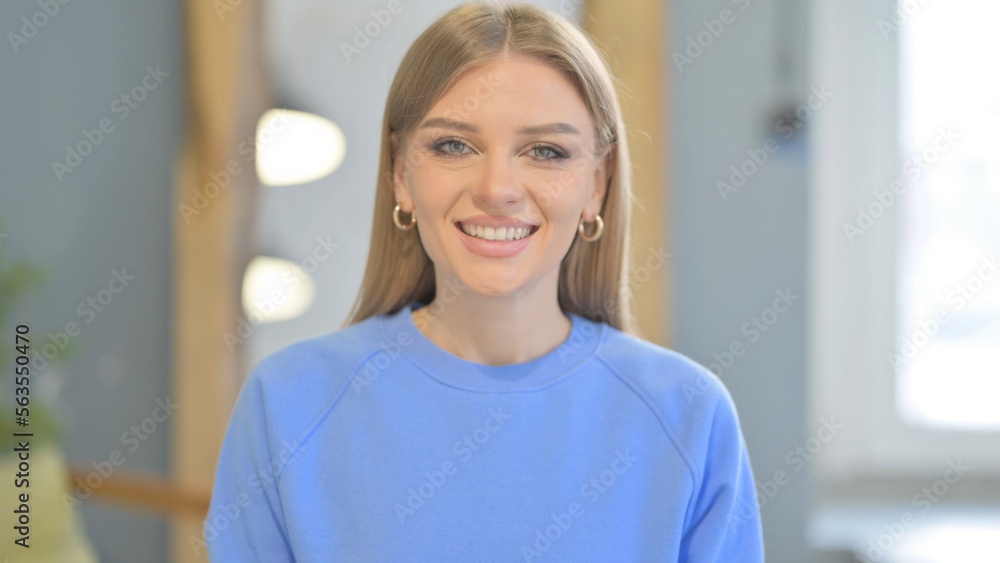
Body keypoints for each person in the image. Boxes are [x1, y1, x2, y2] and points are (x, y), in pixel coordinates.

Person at [205, 2, 765, 561]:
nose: (498, 187)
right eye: (454, 145)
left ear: (597, 184)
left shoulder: (689, 415)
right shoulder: (287, 404)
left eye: (546, 151)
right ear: (401, 174)